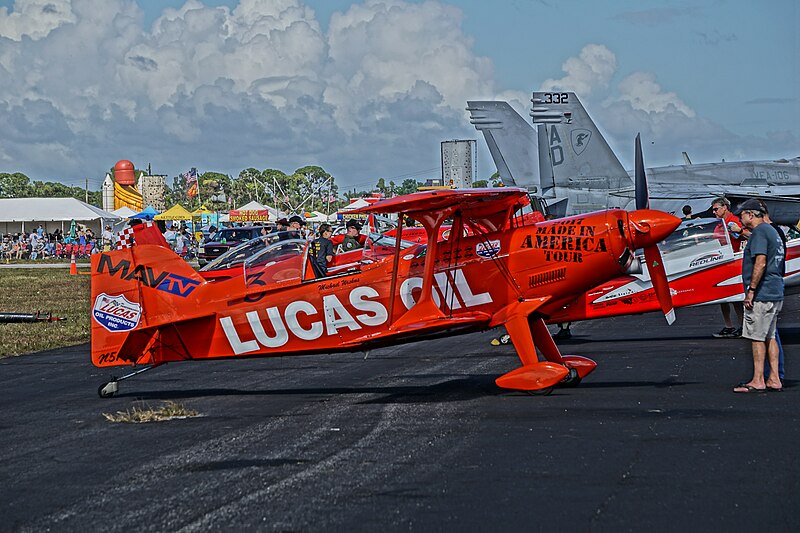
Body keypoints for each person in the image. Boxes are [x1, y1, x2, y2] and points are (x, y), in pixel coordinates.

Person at [732, 198, 785, 393]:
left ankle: (758, 380)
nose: (740, 218)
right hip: (775, 290)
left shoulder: (760, 232)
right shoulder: (773, 231)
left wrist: (751, 291)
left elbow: (760, 261)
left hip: (762, 293)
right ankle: (774, 378)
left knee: (756, 336)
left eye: (742, 214)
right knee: (770, 335)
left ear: (751, 215)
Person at [711, 197, 744, 338]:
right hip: (720, 262)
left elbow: (741, 236)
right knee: (722, 298)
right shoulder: (719, 224)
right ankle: (728, 325)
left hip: (732, 262)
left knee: (735, 298)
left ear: (724, 207)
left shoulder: (733, 221)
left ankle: (743, 326)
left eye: (716, 209)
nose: (714, 212)